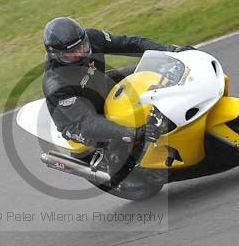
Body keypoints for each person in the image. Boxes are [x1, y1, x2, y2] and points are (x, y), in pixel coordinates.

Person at [42, 16, 193, 147]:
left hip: (99, 85)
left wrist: (170, 51)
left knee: (151, 70)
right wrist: (135, 133)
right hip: (78, 122)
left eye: (81, 46)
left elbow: (129, 43)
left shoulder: (92, 37)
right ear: (57, 55)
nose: (80, 53)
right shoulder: (56, 84)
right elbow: (88, 123)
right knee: (123, 142)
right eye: (72, 52)